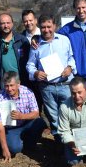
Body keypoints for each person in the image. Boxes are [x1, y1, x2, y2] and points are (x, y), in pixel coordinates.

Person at [27, 14, 76, 142]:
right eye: (43, 27)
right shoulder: (36, 44)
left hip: (65, 85)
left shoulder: (64, 40)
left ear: (54, 26)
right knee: (54, 117)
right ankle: (60, 143)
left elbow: (71, 57)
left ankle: (72, 143)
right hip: (47, 87)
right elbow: (30, 64)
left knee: (69, 114)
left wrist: (70, 68)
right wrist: (36, 73)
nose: (46, 30)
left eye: (49, 26)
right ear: (39, 28)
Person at [0, 71, 47, 162]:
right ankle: (13, 142)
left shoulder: (28, 92)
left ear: (18, 83)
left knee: (40, 122)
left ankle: (29, 144)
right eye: (6, 86)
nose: (9, 89)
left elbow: (36, 113)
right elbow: (0, 125)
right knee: (14, 149)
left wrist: (21, 116)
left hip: (26, 122)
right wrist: (4, 148)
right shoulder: (0, 98)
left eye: (12, 85)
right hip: (11, 128)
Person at [0, 13, 30, 88]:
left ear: (12, 23)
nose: (6, 26)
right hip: (4, 82)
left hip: (21, 81)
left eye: (8, 23)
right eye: (3, 23)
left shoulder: (22, 40)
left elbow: (30, 60)